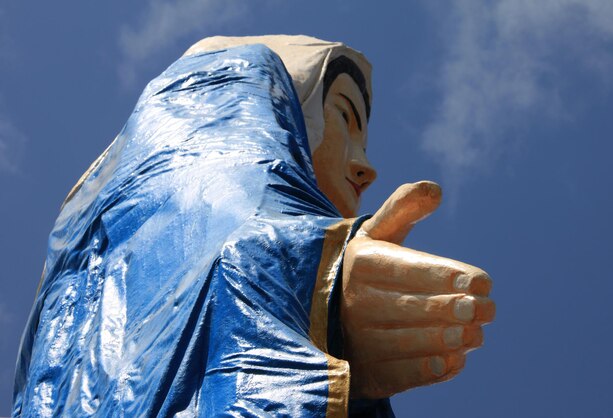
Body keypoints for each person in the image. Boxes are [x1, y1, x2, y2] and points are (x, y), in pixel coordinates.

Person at [13, 35, 494, 417]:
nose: (366, 167)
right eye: (343, 117)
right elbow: (213, 209)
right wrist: (311, 277)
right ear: (280, 112)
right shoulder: (213, 116)